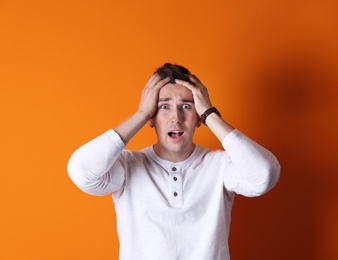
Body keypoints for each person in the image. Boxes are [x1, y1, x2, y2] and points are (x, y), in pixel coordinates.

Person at [67, 63, 280, 260]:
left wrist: (209, 113)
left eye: (186, 106)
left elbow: (264, 175)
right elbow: (81, 171)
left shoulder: (221, 166)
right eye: (164, 107)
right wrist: (141, 113)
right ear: (151, 117)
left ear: (198, 118)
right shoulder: (128, 166)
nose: (176, 117)